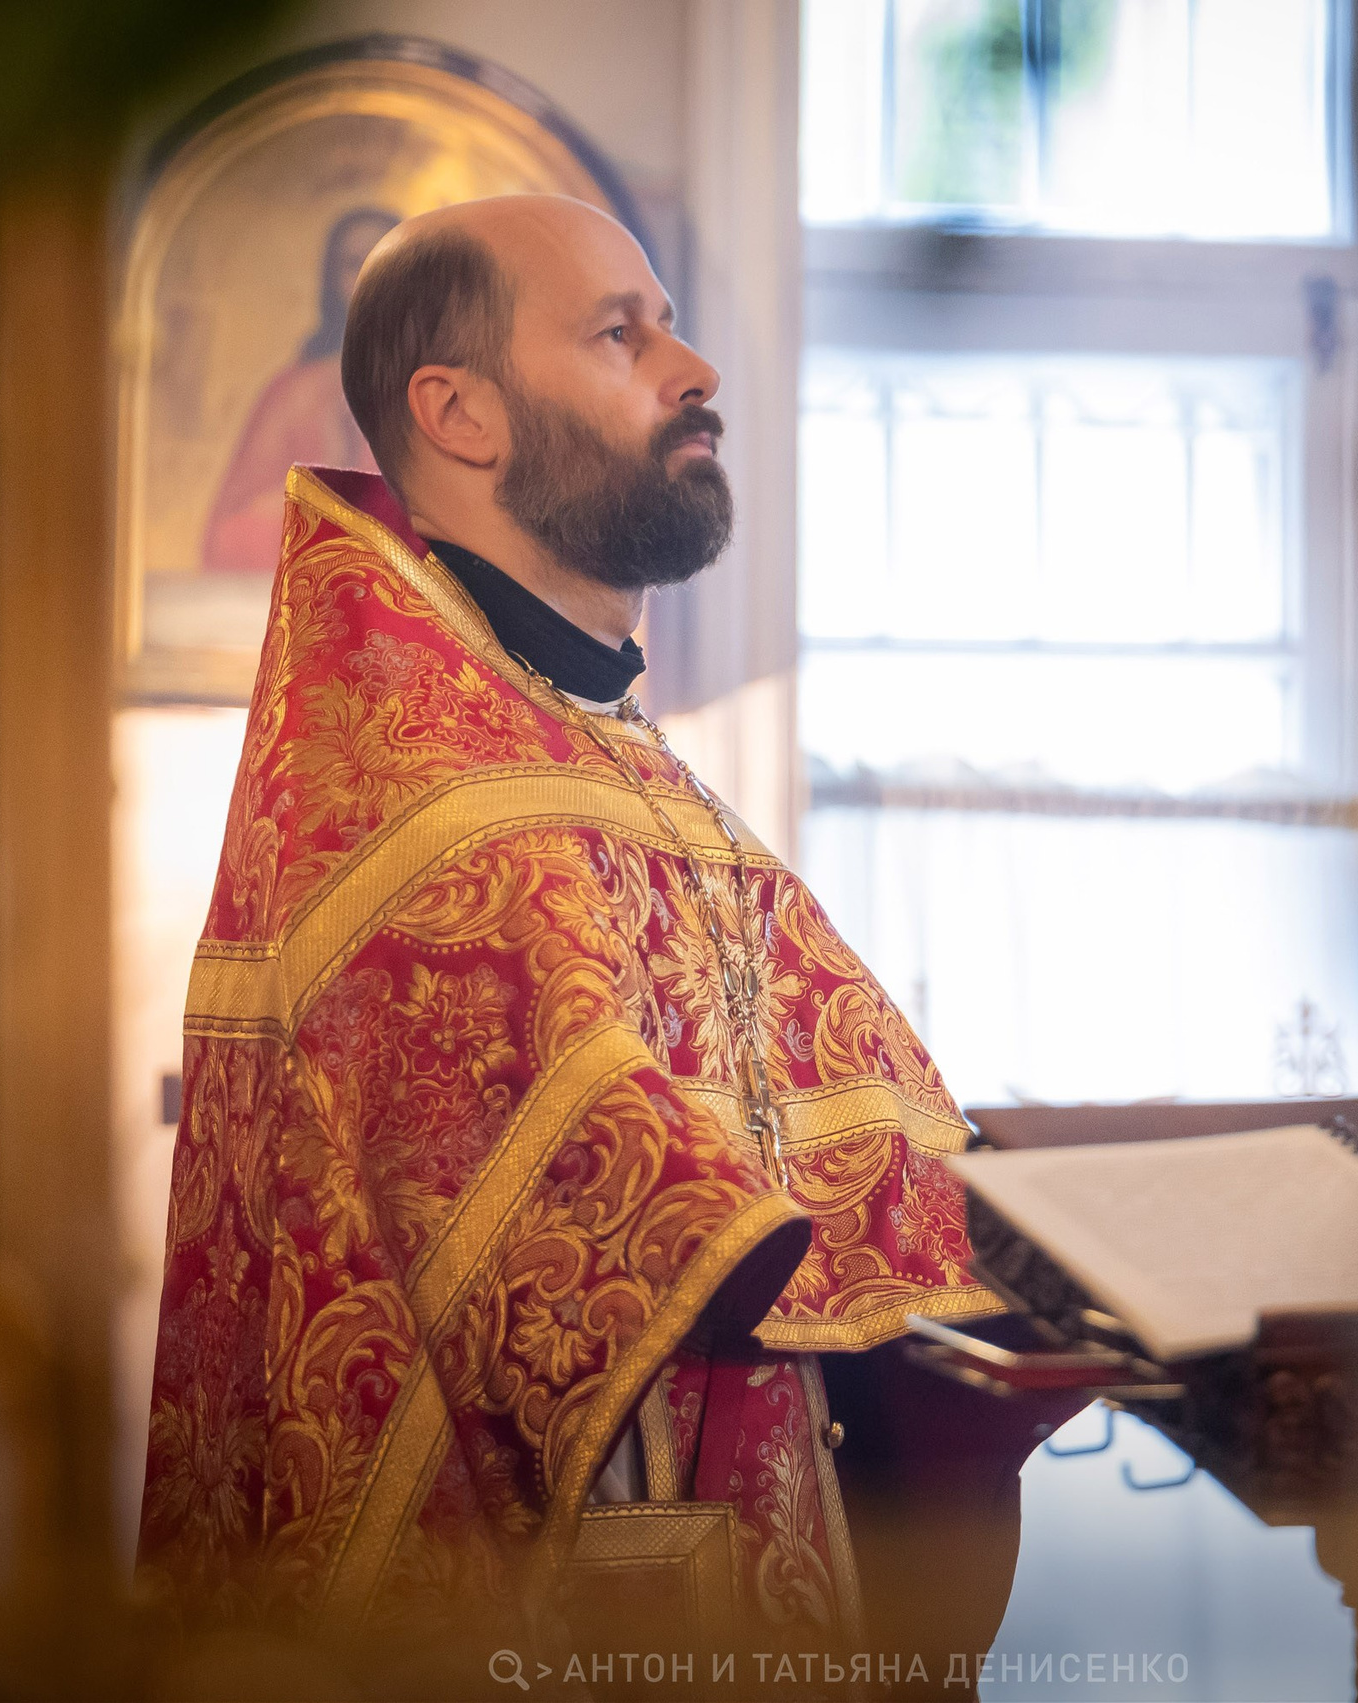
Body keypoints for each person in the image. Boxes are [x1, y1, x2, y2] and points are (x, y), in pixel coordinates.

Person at [136, 194, 1074, 1692]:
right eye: (621, 333)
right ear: (461, 413)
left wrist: (1058, 1238)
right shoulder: (416, 792)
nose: (694, 367)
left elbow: (873, 1124)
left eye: (673, 323)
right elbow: (608, 1188)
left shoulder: (631, 767)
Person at [197, 206, 394, 573]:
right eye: (353, 264)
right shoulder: (295, 395)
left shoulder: (445, 393)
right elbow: (226, 537)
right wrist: (323, 497)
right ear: (332, 280)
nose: (369, 277)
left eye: (386, 260)